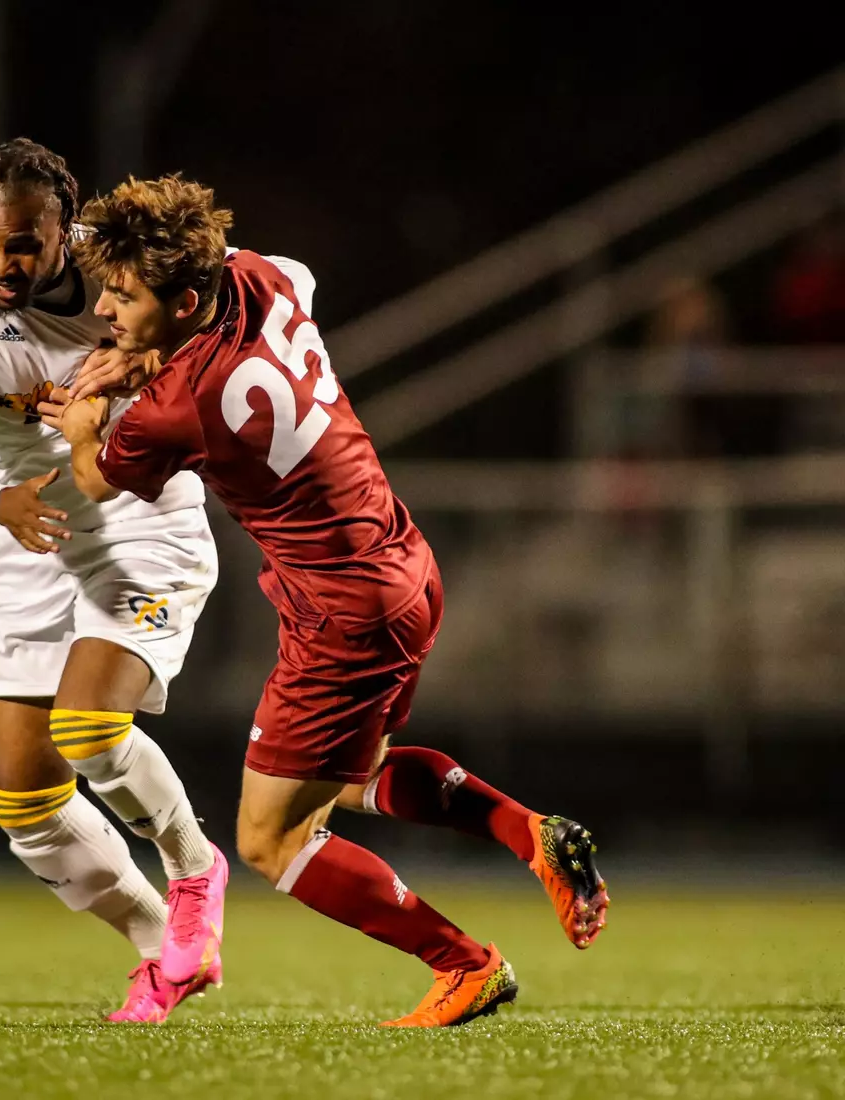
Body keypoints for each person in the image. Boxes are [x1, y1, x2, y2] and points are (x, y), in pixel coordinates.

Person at [45, 175, 610, 1028]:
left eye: (123, 296)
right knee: (355, 782)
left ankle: (466, 964)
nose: (106, 311)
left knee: (270, 841)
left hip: (342, 612)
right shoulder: (256, 277)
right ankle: (528, 833)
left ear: (186, 298)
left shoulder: (177, 406)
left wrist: (87, 423)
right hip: (407, 568)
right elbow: (298, 274)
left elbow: (95, 478)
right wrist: (147, 340)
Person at [0, 140, 227, 1023]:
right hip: (27, 525)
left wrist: (160, 361)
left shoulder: (119, 268)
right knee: (24, 798)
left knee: (87, 723)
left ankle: (195, 869)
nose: (2, 264)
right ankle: (165, 951)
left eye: (23, 245)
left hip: (141, 519)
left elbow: (266, 289)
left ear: (62, 226)